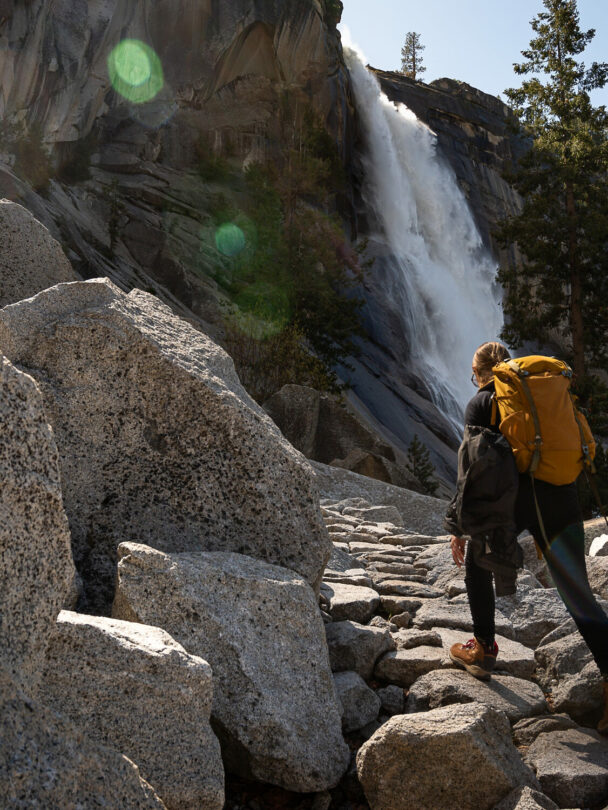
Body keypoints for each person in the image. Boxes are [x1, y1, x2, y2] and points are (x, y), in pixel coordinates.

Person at [446, 341, 608, 734]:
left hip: (513, 501)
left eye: (474, 375)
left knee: (476, 563)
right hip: (561, 494)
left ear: (482, 373)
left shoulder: (482, 403)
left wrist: (459, 527)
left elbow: (473, 469)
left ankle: (483, 647)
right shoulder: (543, 393)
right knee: (577, 592)